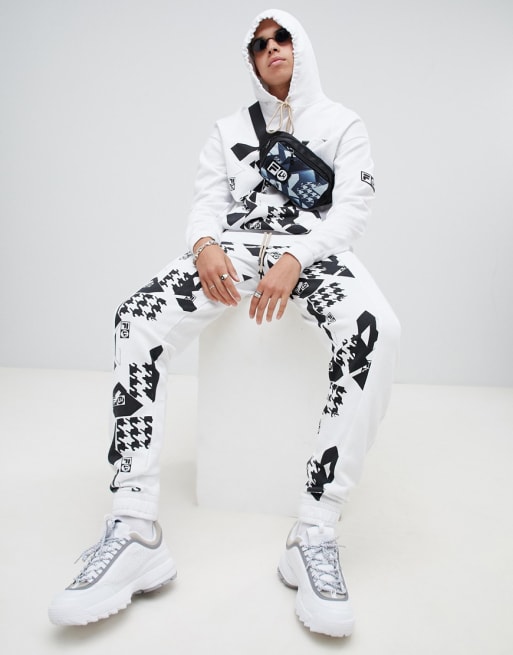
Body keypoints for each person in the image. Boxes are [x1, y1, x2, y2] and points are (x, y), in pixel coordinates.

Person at [48, 8, 400, 638]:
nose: (273, 49)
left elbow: (353, 209)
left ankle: (314, 530)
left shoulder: (342, 124)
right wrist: (204, 243)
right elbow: (206, 202)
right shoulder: (229, 128)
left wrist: (298, 257)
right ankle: (134, 526)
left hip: (313, 254)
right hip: (233, 250)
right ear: (251, 59)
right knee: (135, 320)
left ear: (301, 46)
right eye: (259, 45)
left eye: (282, 38)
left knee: (379, 331)